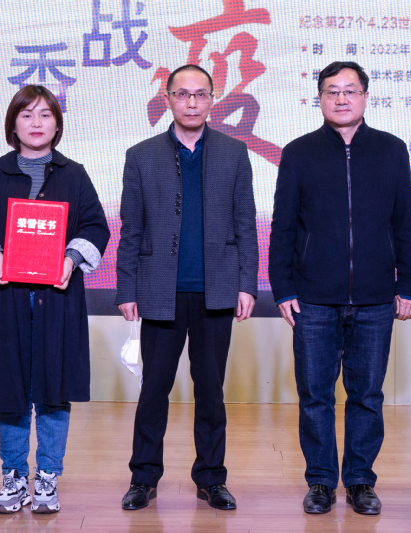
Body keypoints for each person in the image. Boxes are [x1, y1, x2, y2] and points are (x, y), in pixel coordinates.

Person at [268, 61, 411, 515]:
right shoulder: (298, 153)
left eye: (350, 90)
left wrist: (409, 284)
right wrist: (283, 288)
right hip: (313, 298)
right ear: (319, 99)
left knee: (367, 396)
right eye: (332, 91)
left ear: (365, 97)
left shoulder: (392, 150)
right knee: (315, 396)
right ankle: (320, 481)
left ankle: (359, 481)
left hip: (375, 297)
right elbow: (283, 227)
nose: (341, 98)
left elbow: (405, 225)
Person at [0, 85, 110, 514]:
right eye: (26, 115)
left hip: (55, 300)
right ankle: (14, 476)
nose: (36, 123)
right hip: (3, 300)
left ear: (57, 125)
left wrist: (71, 258)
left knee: (54, 388)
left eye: (45, 115)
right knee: (11, 388)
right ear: (13, 124)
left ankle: (47, 477)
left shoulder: (74, 175)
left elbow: (96, 226)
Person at [115, 64, 258, 511]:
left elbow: (246, 225)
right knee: (154, 389)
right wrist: (126, 288)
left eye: (200, 94)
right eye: (182, 94)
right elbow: (131, 229)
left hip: (217, 290)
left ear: (212, 100)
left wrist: (247, 283)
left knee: (211, 391)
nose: (191, 102)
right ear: (168, 99)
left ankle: (211, 478)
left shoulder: (234, 153)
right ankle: (143, 477)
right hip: (161, 290)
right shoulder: (141, 156)